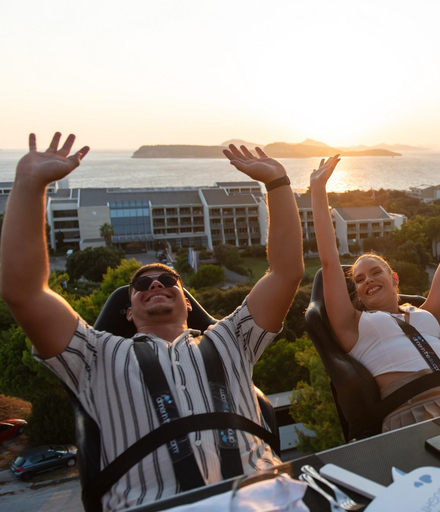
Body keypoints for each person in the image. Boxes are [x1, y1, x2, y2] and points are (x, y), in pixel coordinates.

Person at [0, 134, 304, 510]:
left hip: (264, 498)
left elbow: (286, 272)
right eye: (141, 285)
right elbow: (24, 292)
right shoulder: (95, 354)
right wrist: (29, 185)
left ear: (188, 304)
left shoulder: (232, 339)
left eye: (168, 281)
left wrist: (277, 183)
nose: (155, 283)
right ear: (128, 313)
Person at [310, 154, 440, 432]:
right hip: (415, 411)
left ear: (394, 278)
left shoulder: (427, 314)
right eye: (359, 279)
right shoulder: (353, 325)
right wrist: (317, 190)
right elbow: (330, 261)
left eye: (376, 272)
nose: (368, 280)